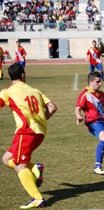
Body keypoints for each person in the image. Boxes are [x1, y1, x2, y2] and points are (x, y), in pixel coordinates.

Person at [0, 63, 57, 208]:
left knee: (19, 165)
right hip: (40, 132)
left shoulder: (7, 91)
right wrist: (41, 120)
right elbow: (52, 107)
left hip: (26, 131)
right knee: (6, 159)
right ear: (23, 75)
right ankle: (34, 168)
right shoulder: (35, 90)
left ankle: (37, 198)